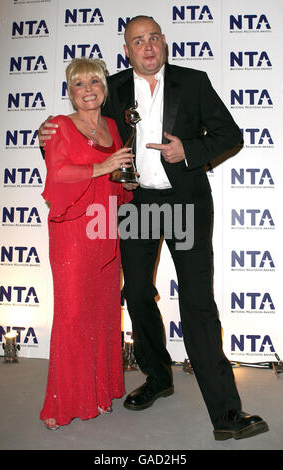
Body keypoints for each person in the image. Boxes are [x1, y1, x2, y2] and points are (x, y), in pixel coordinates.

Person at [38, 16, 269, 440]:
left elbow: (230, 134)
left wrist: (190, 149)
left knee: (197, 302)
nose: (146, 47)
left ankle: (226, 412)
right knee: (138, 293)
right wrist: (45, 132)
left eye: (153, 39)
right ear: (126, 50)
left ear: (164, 42)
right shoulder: (114, 88)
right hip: (135, 204)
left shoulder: (193, 81)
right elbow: (86, 132)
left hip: (185, 203)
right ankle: (158, 376)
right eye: (136, 41)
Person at [39, 58, 133, 430]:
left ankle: (98, 392)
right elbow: (58, 174)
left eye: (95, 81)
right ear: (71, 91)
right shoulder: (58, 126)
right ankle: (59, 405)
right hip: (73, 231)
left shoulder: (112, 125)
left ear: (104, 88)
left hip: (105, 227)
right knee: (73, 313)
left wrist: (124, 181)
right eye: (79, 84)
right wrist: (103, 165)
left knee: (104, 312)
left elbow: (116, 177)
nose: (88, 88)